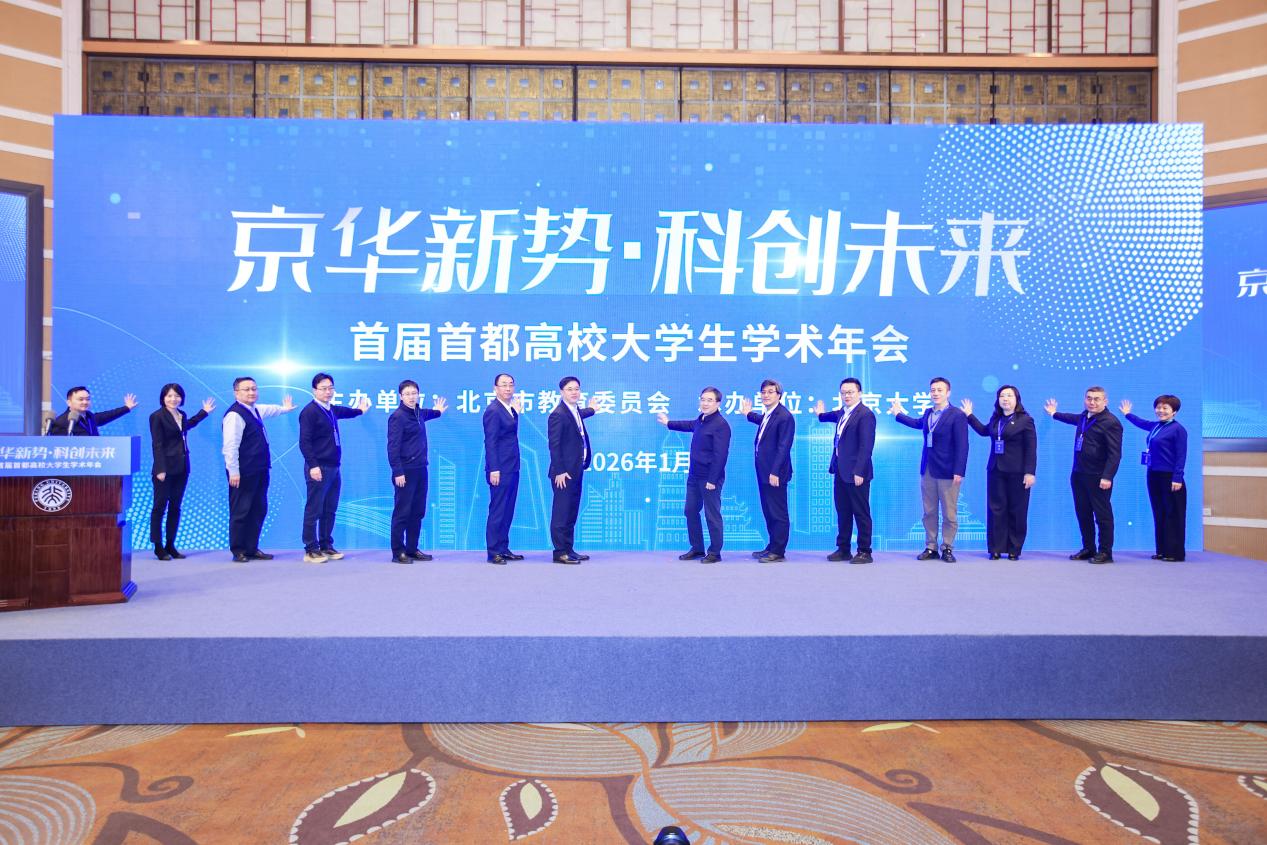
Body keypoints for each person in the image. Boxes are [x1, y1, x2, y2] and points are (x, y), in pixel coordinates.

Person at [891, 377, 969, 562]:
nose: (935, 393)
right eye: (933, 390)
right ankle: (931, 547)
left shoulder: (957, 415)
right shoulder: (928, 412)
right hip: (928, 470)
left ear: (948, 393)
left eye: (939, 390)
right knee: (929, 512)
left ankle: (947, 548)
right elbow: (917, 424)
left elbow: (963, 445)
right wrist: (898, 414)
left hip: (948, 471)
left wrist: (959, 470)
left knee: (949, 513)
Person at [298, 373, 372, 564]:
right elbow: (304, 442)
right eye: (323, 388)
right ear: (314, 390)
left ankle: (326, 545)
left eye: (331, 388)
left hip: (333, 467)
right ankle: (310, 549)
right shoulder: (309, 412)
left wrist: (360, 411)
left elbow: (346, 412)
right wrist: (313, 465)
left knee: (329, 509)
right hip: (319, 467)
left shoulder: (330, 409)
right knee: (314, 509)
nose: (328, 392)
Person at [1045, 386, 1123, 564]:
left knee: (1102, 515)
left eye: (1096, 399)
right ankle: (1089, 548)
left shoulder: (1111, 422)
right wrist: (1054, 413)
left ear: (1105, 401)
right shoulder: (1083, 417)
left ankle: (1105, 552)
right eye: (1089, 398)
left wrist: (1107, 476)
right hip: (1079, 474)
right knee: (1083, 512)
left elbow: (1115, 454)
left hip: (1098, 476)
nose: (1092, 402)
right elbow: (1070, 418)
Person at [222, 376, 295, 563]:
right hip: (243, 472)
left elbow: (269, 409)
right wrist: (233, 471)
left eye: (254, 389)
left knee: (258, 509)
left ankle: (251, 548)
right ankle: (238, 550)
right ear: (236, 393)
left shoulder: (254, 410)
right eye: (246, 389)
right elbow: (230, 446)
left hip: (260, 469)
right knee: (241, 511)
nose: (251, 392)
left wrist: (284, 409)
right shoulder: (234, 415)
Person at [961, 385, 1036, 560]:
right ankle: (995, 548)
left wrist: (1030, 472)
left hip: (1018, 472)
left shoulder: (1025, 420)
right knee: (996, 510)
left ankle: (1014, 549)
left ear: (1017, 399)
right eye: (1002, 396)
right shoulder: (996, 419)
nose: (1005, 399)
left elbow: (1031, 448)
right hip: (996, 470)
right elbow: (983, 431)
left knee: (1017, 510)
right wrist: (969, 415)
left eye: (1009, 395)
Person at [657, 387, 731, 563]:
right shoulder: (701, 420)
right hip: (694, 476)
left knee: (712, 515)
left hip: (709, 478)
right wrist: (668, 423)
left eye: (709, 400)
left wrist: (713, 480)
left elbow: (721, 455)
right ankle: (697, 548)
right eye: (703, 399)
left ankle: (715, 552)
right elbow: (688, 425)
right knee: (690, 510)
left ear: (718, 403)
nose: (705, 403)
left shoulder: (721, 425)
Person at [814, 377, 876, 564]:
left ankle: (864, 551)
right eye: (843, 393)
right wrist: (820, 414)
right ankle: (843, 549)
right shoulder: (843, 412)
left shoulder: (865, 415)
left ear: (859, 393)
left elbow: (866, 446)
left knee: (861, 513)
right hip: (841, 471)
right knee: (843, 511)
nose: (846, 396)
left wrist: (859, 471)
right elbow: (830, 416)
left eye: (850, 392)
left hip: (857, 473)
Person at [148, 384, 215, 560]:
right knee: (159, 507)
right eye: (169, 396)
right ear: (163, 398)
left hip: (182, 467)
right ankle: (158, 546)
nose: (173, 399)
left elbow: (187, 425)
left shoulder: (181, 415)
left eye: (177, 396)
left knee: (175, 507)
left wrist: (204, 412)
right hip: (164, 469)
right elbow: (157, 444)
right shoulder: (157, 416)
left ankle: (170, 544)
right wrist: (160, 468)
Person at [387, 380, 448, 564]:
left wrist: (438, 412)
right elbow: (392, 447)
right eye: (407, 394)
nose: (411, 397)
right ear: (400, 396)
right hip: (405, 471)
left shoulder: (418, 413)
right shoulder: (397, 417)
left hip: (421, 468)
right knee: (402, 512)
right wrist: (397, 471)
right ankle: (398, 552)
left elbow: (428, 414)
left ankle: (412, 549)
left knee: (417, 512)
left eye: (414, 393)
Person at [1121, 394, 1188, 562]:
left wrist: (1178, 477)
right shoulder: (1156, 426)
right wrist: (1128, 414)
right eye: (1158, 407)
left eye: (1165, 408)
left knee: (1173, 514)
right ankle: (1162, 550)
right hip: (1153, 474)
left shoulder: (1178, 429)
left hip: (1170, 477)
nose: (1161, 411)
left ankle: (1175, 553)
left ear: (1174, 411)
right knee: (1159, 513)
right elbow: (1142, 423)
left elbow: (1181, 455)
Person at [740, 379, 795, 563]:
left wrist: (775, 472)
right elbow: (762, 422)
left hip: (775, 473)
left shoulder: (785, 416)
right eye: (763, 392)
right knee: (769, 510)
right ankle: (772, 545)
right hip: (764, 471)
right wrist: (748, 414)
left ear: (779, 395)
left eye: (771, 392)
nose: (766, 395)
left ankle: (778, 551)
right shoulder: (769, 414)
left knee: (778, 512)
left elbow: (784, 447)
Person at [548, 376, 599, 564]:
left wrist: (592, 409)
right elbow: (554, 445)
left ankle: (569, 549)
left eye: (577, 389)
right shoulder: (557, 414)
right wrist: (560, 471)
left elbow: (579, 415)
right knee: (561, 514)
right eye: (569, 389)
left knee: (571, 512)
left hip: (576, 470)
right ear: (562, 392)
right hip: (563, 474)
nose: (574, 392)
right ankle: (560, 552)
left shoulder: (574, 410)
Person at [483, 373, 522, 565]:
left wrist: (516, 414)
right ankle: (493, 552)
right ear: (495, 388)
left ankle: (503, 548)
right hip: (500, 469)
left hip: (512, 466)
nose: (508, 388)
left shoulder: (509, 408)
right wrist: (494, 468)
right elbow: (490, 442)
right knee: (498, 510)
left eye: (511, 385)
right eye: (504, 385)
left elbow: (509, 434)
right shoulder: (493, 410)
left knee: (508, 510)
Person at [49, 386, 137, 435]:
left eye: (87, 399)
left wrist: (126, 408)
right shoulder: (61, 422)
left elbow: (108, 415)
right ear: (69, 402)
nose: (85, 402)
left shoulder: (90, 417)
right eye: (81, 399)